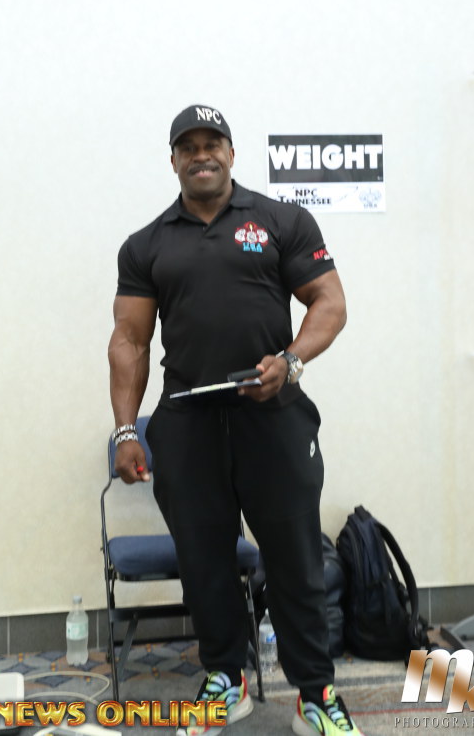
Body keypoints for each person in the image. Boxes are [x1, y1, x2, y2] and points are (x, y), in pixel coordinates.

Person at [108, 104, 364, 736]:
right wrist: (126, 430)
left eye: (212, 143)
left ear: (230, 152)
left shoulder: (281, 220)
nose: (202, 154)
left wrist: (291, 361)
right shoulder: (145, 244)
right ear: (173, 159)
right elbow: (130, 340)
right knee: (204, 563)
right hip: (187, 424)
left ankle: (316, 694)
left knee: (296, 560)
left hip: (273, 417)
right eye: (188, 146)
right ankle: (227, 678)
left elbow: (329, 302)